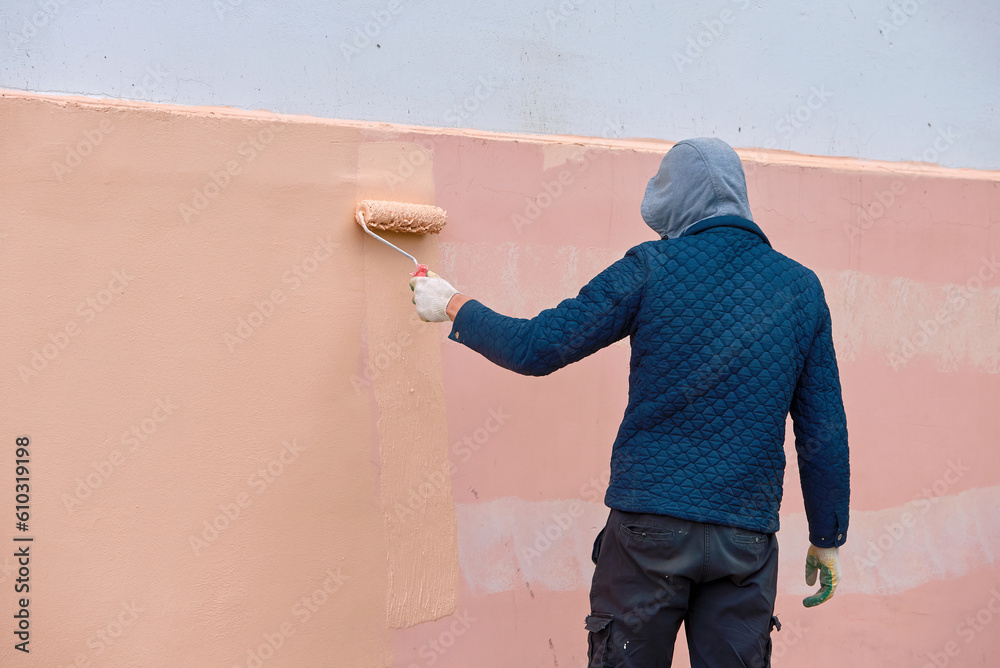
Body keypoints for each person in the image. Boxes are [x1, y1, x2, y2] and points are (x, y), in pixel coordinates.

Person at [409, 137, 850, 668]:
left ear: (676, 199)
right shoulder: (802, 289)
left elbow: (537, 347)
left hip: (648, 534)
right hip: (745, 537)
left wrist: (453, 305)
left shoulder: (651, 266)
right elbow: (823, 428)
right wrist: (827, 536)